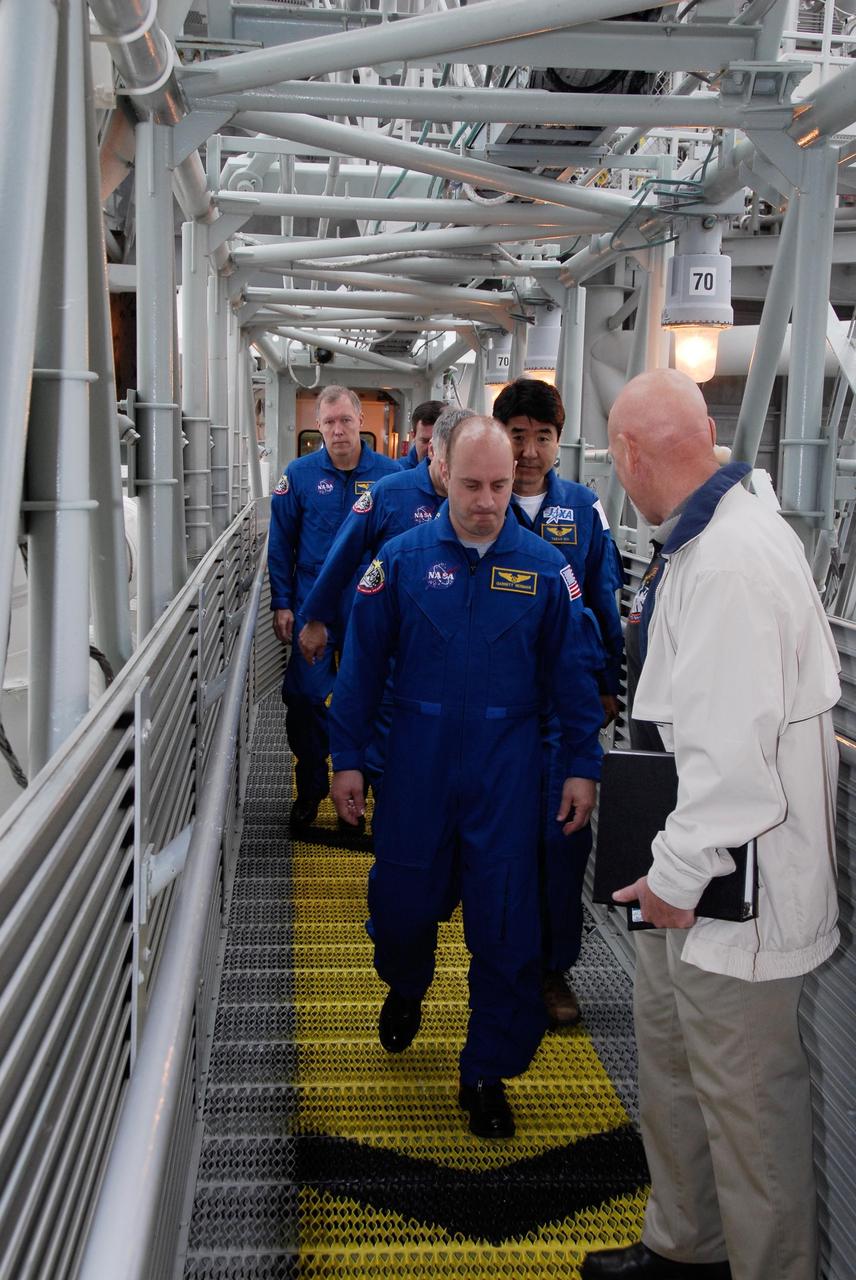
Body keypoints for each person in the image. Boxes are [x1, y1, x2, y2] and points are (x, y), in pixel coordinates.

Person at [581, 369, 841, 1280]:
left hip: (731, 893)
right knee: (679, 1078)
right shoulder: (698, 544)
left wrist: (675, 878)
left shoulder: (732, 562)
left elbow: (733, 766)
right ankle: (684, 1247)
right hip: (688, 880)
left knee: (747, 1108)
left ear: (628, 454)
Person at [328, 418, 605, 1139]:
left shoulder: (547, 572)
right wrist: (347, 756)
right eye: (473, 484)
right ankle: (406, 983)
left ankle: (485, 1069)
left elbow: (574, 679)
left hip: (507, 776)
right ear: (442, 471)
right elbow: (360, 667)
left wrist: (581, 765)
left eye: (501, 486)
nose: (486, 501)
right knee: (399, 909)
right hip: (415, 769)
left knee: (509, 934)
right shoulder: (401, 560)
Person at [493, 377, 624, 1027]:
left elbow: (605, 599)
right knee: (495, 846)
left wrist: (609, 687)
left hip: (564, 710)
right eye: (517, 435)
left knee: (563, 845)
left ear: (559, 441)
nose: (529, 450)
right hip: (495, 712)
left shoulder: (584, 509)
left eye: (542, 437)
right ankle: (498, 968)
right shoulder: (482, 506)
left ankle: (552, 972)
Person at [268, 385, 398, 832]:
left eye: (345, 420)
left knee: (375, 700)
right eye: (328, 422)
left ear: (361, 420)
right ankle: (310, 786)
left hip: (370, 611)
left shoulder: (390, 476)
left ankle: (369, 792)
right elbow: (280, 544)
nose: (338, 430)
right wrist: (282, 603)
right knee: (306, 698)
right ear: (318, 426)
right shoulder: (299, 476)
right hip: (312, 608)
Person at [297, 406, 476, 668]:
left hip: (453, 642)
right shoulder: (389, 492)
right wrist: (316, 618)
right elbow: (343, 555)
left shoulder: (485, 504)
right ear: (433, 451)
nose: (462, 474)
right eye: (455, 461)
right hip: (392, 639)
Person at [398, 399, 446, 468]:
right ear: (413, 436)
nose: (431, 448)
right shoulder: (397, 471)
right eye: (425, 441)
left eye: (437, 442)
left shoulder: (459, 474)